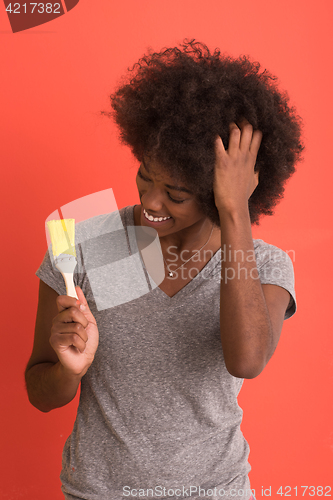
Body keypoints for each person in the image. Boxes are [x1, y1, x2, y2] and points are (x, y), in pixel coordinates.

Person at [25, 40, 303, 500]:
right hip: (100, 491)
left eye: (175, 194)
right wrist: (70, 371)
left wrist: (236, 212)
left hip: (217, 490)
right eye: (144, 175)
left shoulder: (264, 263)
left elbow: (247, 360)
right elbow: (41, 391)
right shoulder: (90, 245)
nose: (150, 202)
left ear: (217, 193)